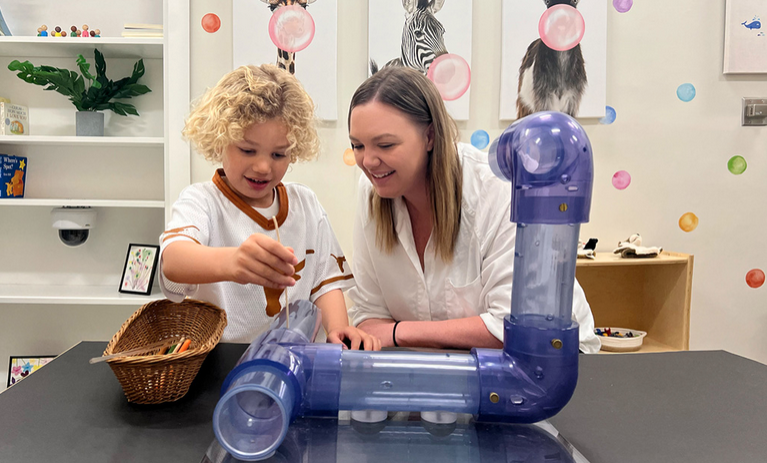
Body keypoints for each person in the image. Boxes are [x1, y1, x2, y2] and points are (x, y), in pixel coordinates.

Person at [346, 66, 600, 353]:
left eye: (385, 144)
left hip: (550, 360)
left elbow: (516, 328)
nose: (368, 161)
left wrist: (398, 331)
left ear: (429, 136)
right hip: (449, 369)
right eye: (357, 146)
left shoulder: (495, 189)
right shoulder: (370, 192)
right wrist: (387, 334)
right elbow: (369, 313)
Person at [159, 64, 380, 351]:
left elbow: (325, 282)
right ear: (220, 139)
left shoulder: (306, 204)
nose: (264, 166)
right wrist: (234, 262)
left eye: (279, 154)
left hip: (295, 361)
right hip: (220, 364)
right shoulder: (202, 201)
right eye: (247, 150)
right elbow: (174, 260)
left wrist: (339, 330)